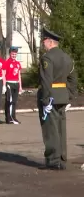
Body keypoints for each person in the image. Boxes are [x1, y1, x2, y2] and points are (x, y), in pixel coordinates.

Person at [37, 27, 77, 170]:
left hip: (51, 97)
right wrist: (70, 96)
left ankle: (53, 160)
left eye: (44, 41)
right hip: (62, 97)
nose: (43, 44)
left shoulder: (47, 58)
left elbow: (46, 80)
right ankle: (62, 158)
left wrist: (45, 100)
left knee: (50, 129)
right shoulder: (67, 58)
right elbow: (73, 79)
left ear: (49, 42)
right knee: (61, 128)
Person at [3, 46, 22, 124]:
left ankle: (13, 117)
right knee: (9, 101)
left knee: (14, 101)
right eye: (12, 54)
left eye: (15, 54)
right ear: (10, 54)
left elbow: (19, 75)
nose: (14, 55)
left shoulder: (18, 63)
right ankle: (9, 117)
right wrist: (4, 85)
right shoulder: (6, 62)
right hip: (9, 83)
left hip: (16, 83)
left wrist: (20, 86)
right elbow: (3, 74)